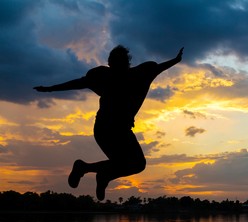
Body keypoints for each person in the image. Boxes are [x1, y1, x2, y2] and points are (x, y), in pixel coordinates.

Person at [34, 46, 184, 200]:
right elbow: (78, 83)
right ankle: (97, 173)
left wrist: (175, 60)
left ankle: (89, 170)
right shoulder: (110, 76)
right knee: (132, 163)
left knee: (134, 164)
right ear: (113, 64)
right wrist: (50, 89)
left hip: (117, 130)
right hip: (107, 129)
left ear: (124, 64)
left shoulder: (138, 74)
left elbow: (159, 67)